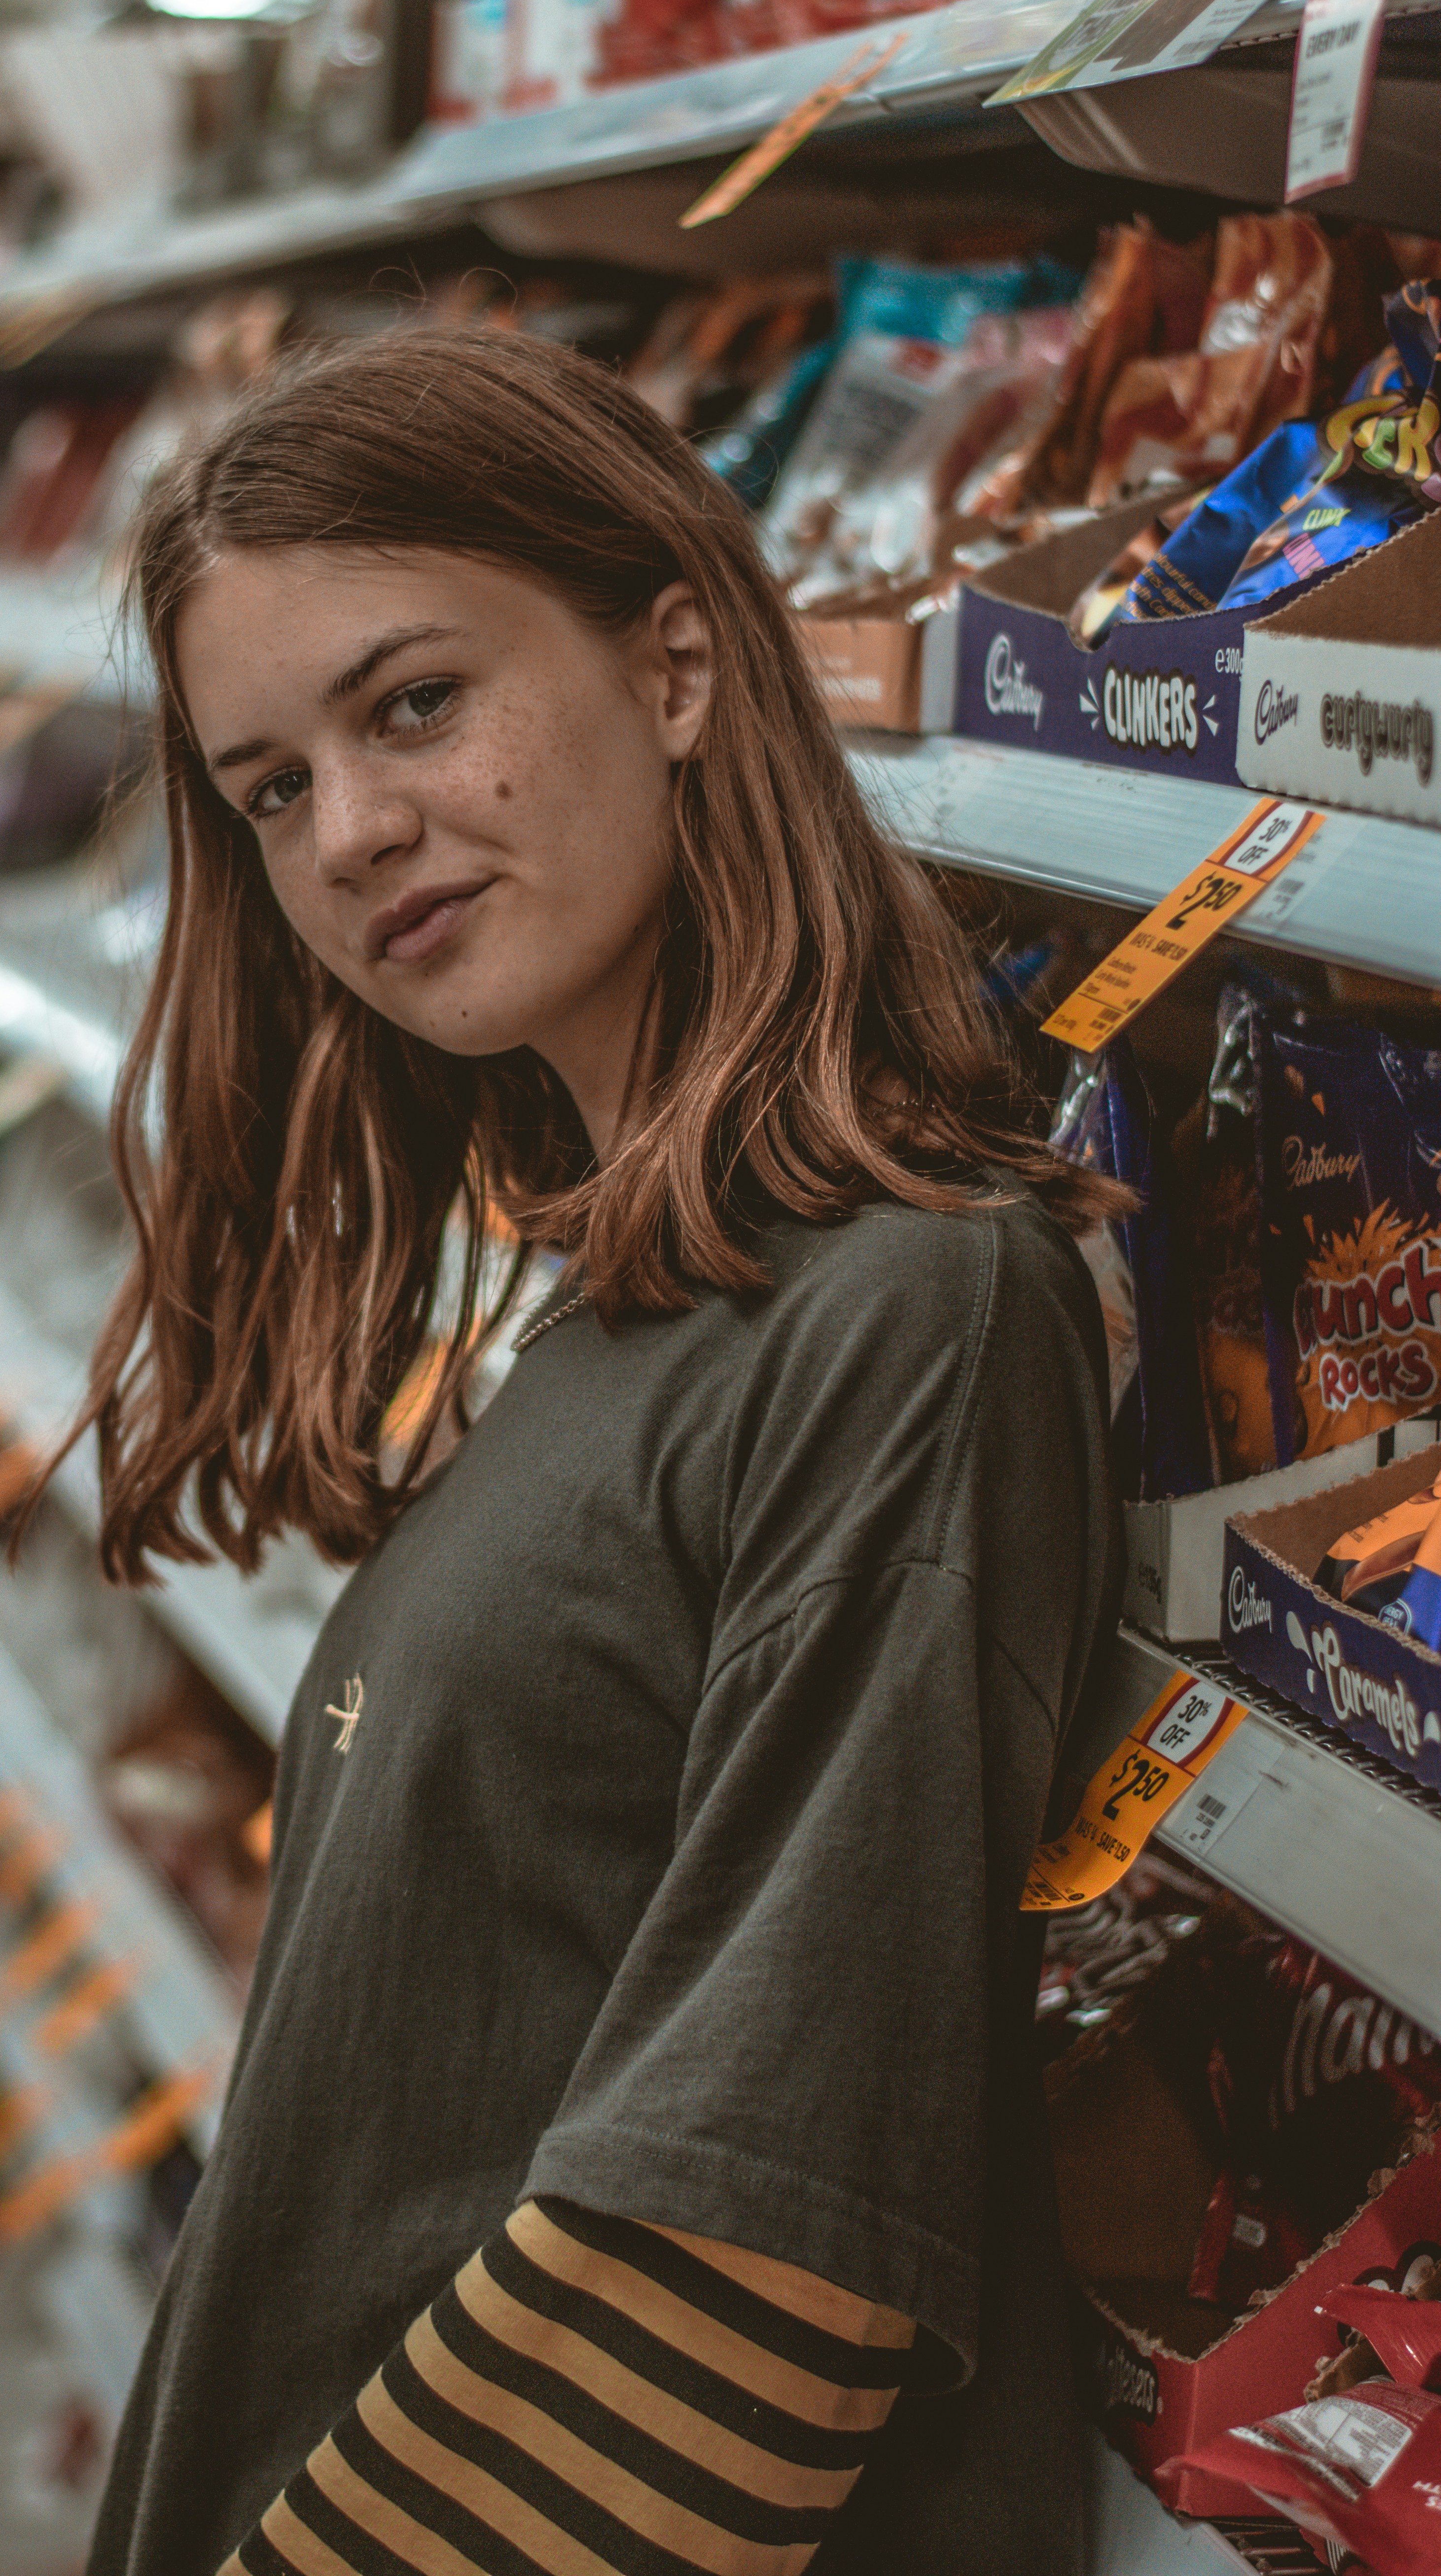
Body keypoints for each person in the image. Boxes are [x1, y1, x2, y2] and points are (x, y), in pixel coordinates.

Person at [64, 326, 1122, 2576]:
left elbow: (766, 2246)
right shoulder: (629, 1277)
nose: (347, 834)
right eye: (266, 788)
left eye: (412, 703)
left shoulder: (903, 1306)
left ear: (671, 663)